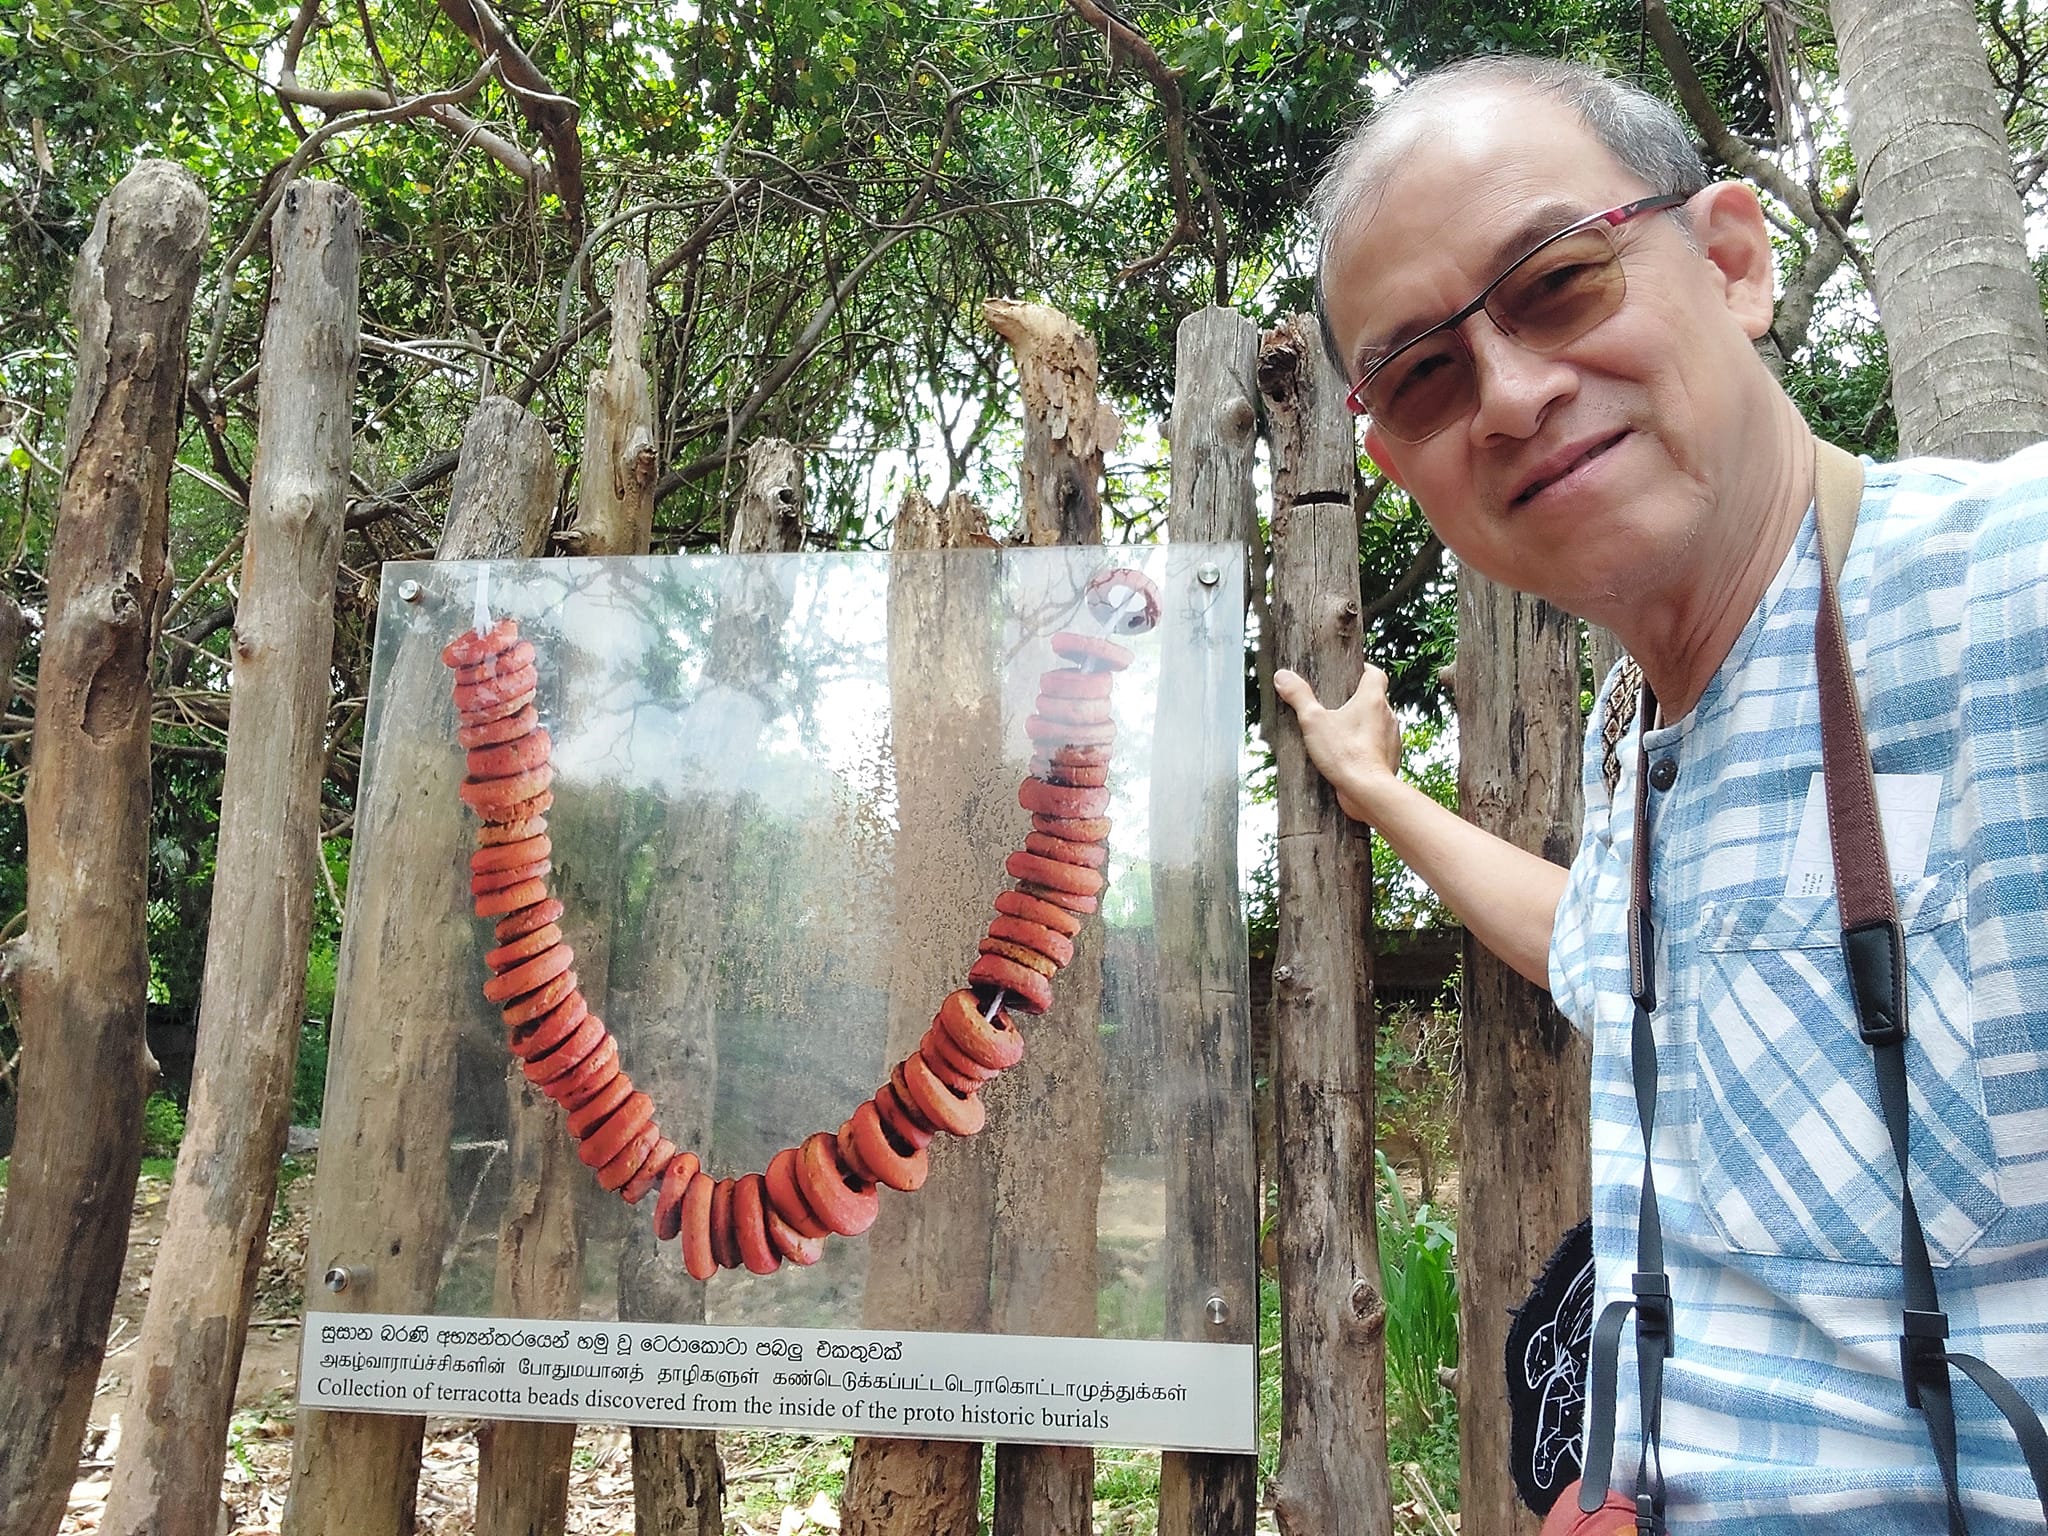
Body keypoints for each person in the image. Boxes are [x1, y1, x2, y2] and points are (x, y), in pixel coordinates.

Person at [1275, 54, 2048, 1534]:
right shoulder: (1633, 735)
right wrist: (1377, 794)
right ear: (1399, 464)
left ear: (1734, 262)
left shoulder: (2011, 586)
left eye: (1560, 282)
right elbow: (1601, 947)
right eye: (1427, 374)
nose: (1510, 395)